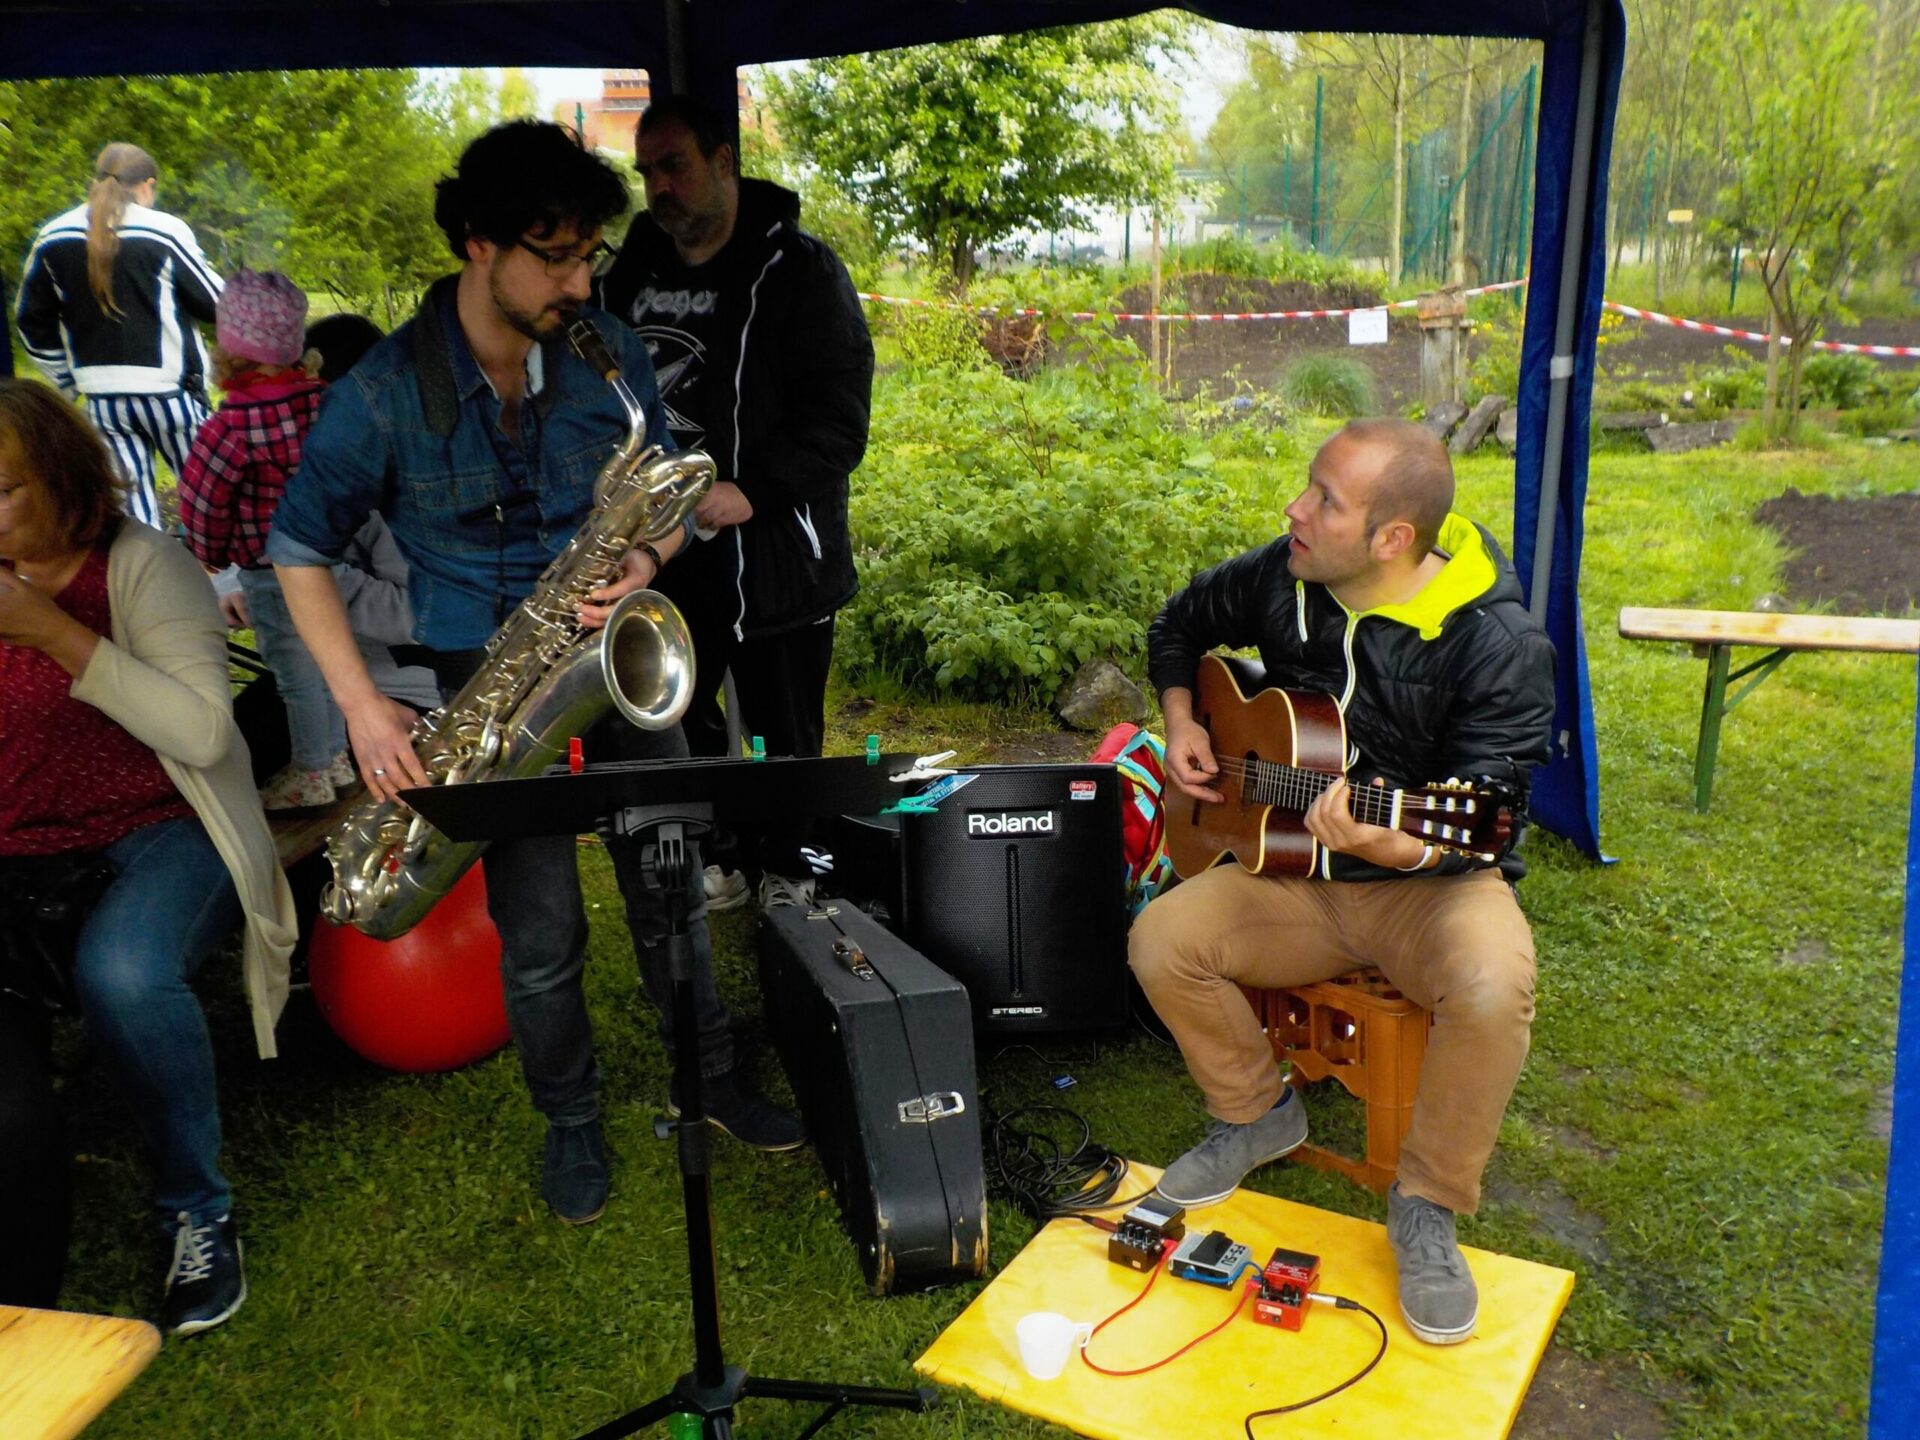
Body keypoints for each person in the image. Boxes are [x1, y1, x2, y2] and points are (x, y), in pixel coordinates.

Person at [268, 121, 804, 1228]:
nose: (580, 283)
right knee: (541, 928)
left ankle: (708, 1079)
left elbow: (672, 496)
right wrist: (362, 708)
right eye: (554, 257)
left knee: (671, 890)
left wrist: (647, 559)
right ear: (479, 242)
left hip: (614, 648)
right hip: (489, 679)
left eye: (589, 255)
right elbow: (295, 549)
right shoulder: (381, 392)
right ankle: (571, 1120)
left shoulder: (606, 355)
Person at [1129, 418, 1554, 1347]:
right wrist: (1184, 723)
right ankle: (1257, 1114)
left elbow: (1486, 817)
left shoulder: (1498, 645)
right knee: (1162, 939)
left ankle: (1427, 1202)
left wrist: (1396, 844)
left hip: (1431, 880)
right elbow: (1180, 624)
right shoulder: (1286, 575)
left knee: (1492, 987)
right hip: (1297, 874)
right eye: (1308, 485)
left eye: (1325, 499)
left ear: (1393, 538)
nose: (1295, 508)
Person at [0, 378, 297, 1334]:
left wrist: (54, 635)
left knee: (124, 972)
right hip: (17, 846)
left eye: (2, 490)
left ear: (59, 477)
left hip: (162, 823)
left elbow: (206, 732)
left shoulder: (141, 565)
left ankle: (195, 1208)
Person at [598, 95, 874, 909]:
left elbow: (841, 419)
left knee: (783, 728)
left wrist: (753, 491)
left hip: (778, 552)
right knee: (683, 714)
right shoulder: (627, 276)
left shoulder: (800, 272)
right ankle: (719, 856)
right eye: (647, 172)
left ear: (724, 162)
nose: (659, 187)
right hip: (660, 550)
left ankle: (791, 865)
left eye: (674, 166)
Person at [178, 269, 350, 810]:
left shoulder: (229, 428)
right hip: (331, 559)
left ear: (228, 351)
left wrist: (210, 554)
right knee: (332, 659)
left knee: (294, 673)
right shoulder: (323, 404)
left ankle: (312, 770)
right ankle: (338, 756)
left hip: (270, 570)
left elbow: (203, 502)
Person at [15, 143, 224, 529]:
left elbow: (31, 321)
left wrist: (67, 381)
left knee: (133, 523)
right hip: (172, 394)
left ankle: (145, 571)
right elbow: (217, 304)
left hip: (102, 401)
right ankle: (217, 570)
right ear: (148, 185)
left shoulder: (52, 236)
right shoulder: (165, 230)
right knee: (212, 504)